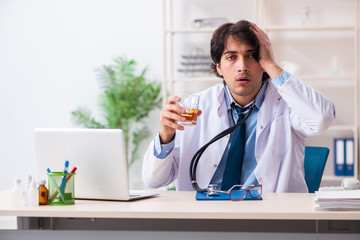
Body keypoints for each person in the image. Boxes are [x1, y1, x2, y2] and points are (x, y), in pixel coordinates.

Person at [142, 20, 336, 193]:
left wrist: (271, 64)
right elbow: (154, 180)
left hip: (269, 219)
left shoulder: (286, 105)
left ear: (262, 63)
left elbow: (321, 119)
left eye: (251, 56)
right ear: (218, 67)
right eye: (231, 57)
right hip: (206, 217)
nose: (242, 66)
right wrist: (166, 136)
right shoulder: (195, 107)